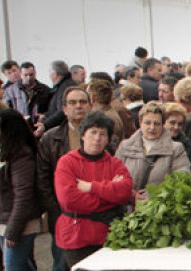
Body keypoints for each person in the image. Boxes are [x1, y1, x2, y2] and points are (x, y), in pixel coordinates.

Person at [54, 111, 132, 267]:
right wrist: (110, 195)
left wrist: (91, 187)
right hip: (77, 237)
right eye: (93, 132)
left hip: (110, 236)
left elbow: (125, 191)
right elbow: (69, 199)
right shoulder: (67, 163)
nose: (97, 138)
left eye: (103, 134)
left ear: (108, 139)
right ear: (83, 135)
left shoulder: (115, 163)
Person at [0, 109, 43, 271]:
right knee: (21, 266)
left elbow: (23, 195)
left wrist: (13, 230)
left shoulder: (21, 154)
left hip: (20, 224)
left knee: (13, 267)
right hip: (2, 222)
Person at [114, 102, 190, 199]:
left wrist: (154, 194)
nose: (152, 127)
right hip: (127, 207)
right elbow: (114, 177)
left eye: (157, 124)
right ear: (140, 123)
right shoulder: (125, 146)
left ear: (163, 125)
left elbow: (182, 178)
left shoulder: (176, 149)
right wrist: (131, 195)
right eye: (147, 123)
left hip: (158, 207)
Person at [162, 103, 191, 174]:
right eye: (172, 123)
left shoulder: (185, 141)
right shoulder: (156, 140)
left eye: (180, 124)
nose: (176, 127)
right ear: (163, 122)